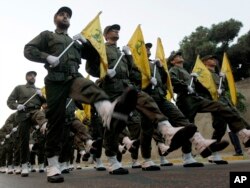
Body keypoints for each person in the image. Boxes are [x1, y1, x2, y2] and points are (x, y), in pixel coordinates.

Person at [24, 7, 137, 183]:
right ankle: (52, 163)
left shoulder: (73, 42)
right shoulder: (48, 36)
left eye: (68, 15)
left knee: (90, 88)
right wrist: (46, 57)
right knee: (56, 121)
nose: (66, 17)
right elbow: (28, 49)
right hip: (55, 80)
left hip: (73, 76)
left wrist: (85, 43)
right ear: (55, 19)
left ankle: (108, 112)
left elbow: (93, 58)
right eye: (62, 14)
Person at [168, 51, 250, 160]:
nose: (180, 57)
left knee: (220, 106)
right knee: (189, 127)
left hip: (196, 98)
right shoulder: (173, 70)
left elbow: (202, 87)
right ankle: (187, 155)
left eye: (180, 55)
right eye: (177, 56)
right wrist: (186, 86)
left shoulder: (186, 72)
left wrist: (198, 83)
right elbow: (172, 80)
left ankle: (244, 134)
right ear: (172, 61)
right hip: (185, 100)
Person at [200, 55, 247, 162]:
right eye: (211, 59)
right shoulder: (205, 74)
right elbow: (203, 89)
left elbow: (223, 88)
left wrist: (223, 79)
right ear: (205, 62)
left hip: (225, 102)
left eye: (214, 59)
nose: (214, 60)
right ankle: (214, 153)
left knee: (237, 121)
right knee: (220, 128)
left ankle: (247, 144)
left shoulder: (215, 74)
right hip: (217, 104)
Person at [7, 71, 47, 177]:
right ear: (26, 77)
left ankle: (44, 124)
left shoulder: (38, 90)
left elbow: (46, 105)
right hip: (23, 113)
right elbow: (10, 101)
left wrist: (42, 96)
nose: (32, 77)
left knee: (39, 114)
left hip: (35, 112)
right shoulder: (19, 88)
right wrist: (17, 106)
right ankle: (24, 165)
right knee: (23, 141)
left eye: (34, 75)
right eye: (30, 75)